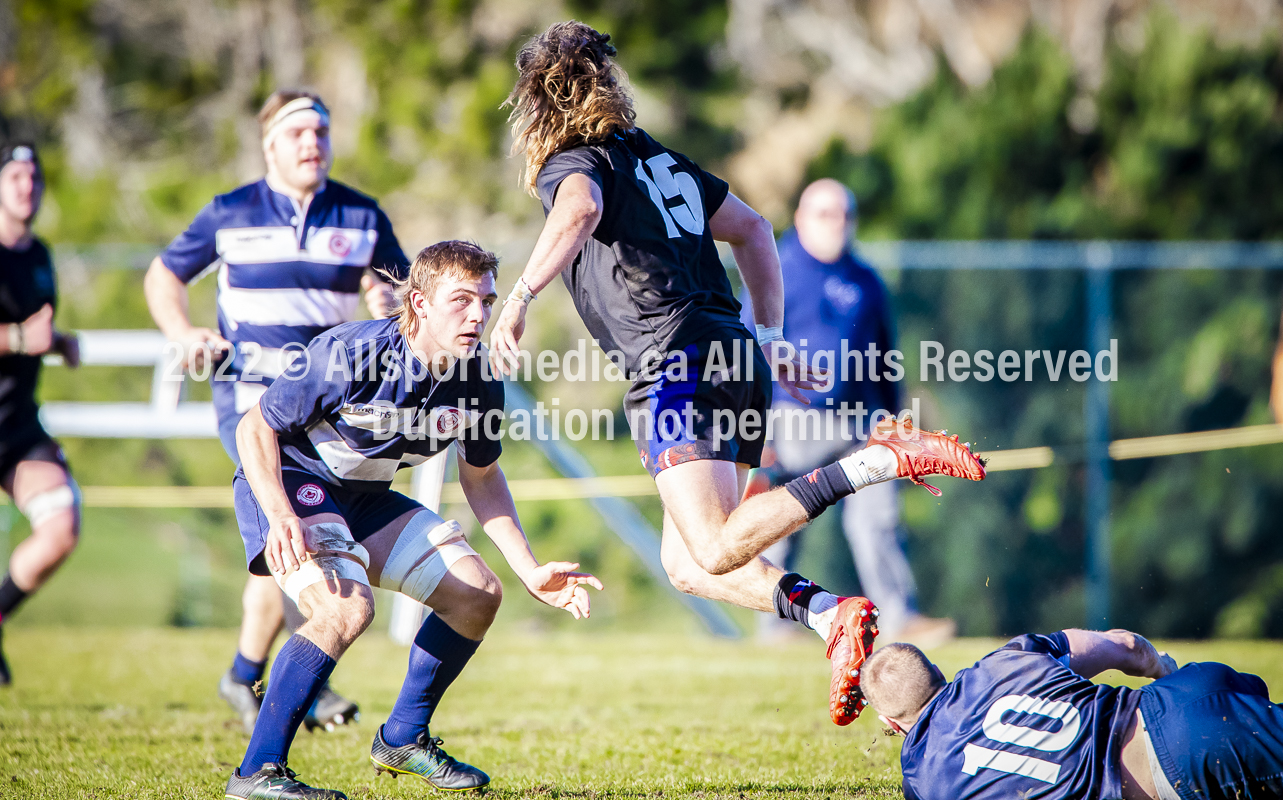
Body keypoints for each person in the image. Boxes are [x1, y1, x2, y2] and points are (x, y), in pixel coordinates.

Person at [491, 20, 986, 726]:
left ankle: (874, 462)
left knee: (716, 543)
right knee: (690, 564)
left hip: (672, 364)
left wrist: (519, 297)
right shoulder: (660, 159)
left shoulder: (575, 165)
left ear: (538, 102)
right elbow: (753, 228)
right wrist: (773, 336)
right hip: (731, 353)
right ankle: (831, 616)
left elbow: (580, 209)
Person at [225, 240, 602, 800]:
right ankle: (256, 774)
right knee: (345, 608)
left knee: (478, 593)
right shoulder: (348, 352)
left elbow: (482, 478)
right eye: (462, 300)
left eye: (487, 302)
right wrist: (279, 514)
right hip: (293, 486)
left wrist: (528, 570)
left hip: (366, 497)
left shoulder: (477, 378)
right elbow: (254, 429)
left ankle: (402, 738)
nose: (478, 315)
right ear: (420, 304)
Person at [144, 89, 408, 734]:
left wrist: (386, 298)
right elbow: (162, 276)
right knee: (288, 520)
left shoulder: (361, 215)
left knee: (280, 537)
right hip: (249, 401)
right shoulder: (230, 212)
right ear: (270, 145)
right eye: (298, 133)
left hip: (325, 406)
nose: (312, 142)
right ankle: (311, 684)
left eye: (320, 130)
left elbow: (399, 289)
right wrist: (183, 334)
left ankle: (244, 674)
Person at [744, 179, 954, 646]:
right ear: (800, 218)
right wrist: (755, 429)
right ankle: (773, 627)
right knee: (781, 522)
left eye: (844, 214)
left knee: (878, 519)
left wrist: (897, 423)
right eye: (824, 214)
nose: (836, 224)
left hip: (862, 422)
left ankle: (900, 618)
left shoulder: (865, 279)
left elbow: (885, 357)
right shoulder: (774, 268)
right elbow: (747, 351)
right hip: (791, 422)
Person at [863, 629, 1283, 800]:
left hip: (1176, 764)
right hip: (1178, 695)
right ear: (938, 672)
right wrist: (1162, 672)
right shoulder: (1004, 660)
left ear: (890, 724)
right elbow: (1127, 648)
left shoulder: (922, 781)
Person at [0, 143, 82, 685]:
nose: (27, 185)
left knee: (61, 526)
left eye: (35, 176)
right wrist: (16, 337)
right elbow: (16, 334)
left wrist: (57, 342)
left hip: (16, 426)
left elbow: (31, 337)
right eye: (15, 175)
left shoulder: (39, 254)